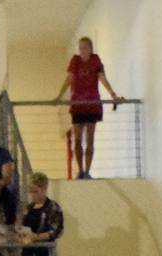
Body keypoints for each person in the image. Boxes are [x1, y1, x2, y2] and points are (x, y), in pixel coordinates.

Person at [56, 37, 123, 180]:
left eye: (85, 48)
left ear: (91, 49)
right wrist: (59, 96)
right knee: (78, 139)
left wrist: (112, 94)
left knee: (90, 140)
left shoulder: (95, 60)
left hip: (92, 104)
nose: (82, 51)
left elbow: (102, 77)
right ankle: (80, 170)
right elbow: (69, 78)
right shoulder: (75, 60)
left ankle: (87, 171)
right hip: (78, 105)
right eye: (80, 48)